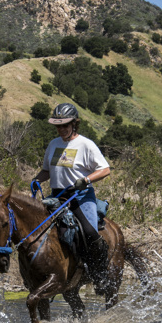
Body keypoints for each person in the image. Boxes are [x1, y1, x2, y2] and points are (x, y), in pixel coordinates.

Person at [33, 103, 112, 290]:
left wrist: (85, 180)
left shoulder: (86, 144)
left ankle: (100, 274)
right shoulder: (53, 144)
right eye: (58, 126)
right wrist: (36, 179)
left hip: (80, 196)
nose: (61, 129)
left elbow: (105, 169)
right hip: (56, 196)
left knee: (90, 233)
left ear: (74, 124)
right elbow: (47, 170)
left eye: (65, 125)